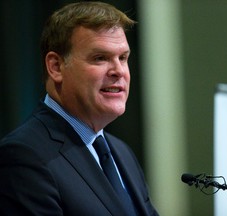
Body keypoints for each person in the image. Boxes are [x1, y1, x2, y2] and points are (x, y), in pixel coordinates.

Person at [0, 2, 158, 216]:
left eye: (123, 58)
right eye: (100, 58)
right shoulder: (23, 156)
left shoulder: (121, 152)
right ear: (56, 67)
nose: (119, 71)